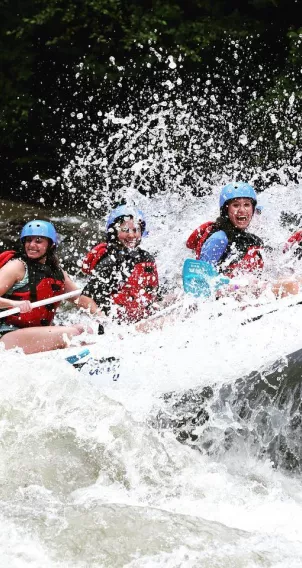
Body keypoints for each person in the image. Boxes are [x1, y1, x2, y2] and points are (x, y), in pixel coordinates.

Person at [0, 220, 100, 354]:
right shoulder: (17, 266)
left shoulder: (57, 273)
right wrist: (14, 303)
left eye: (38, 241)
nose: (32, 245)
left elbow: (80, 299)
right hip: (7, 334)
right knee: (71, 333)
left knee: (87, 330)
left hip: (35, 333)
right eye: (28, 240)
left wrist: (104, 319)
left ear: (51, 244)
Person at [80, 205, 160, 323]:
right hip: (115, 325)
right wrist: (107, 324)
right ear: (114, 232)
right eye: (125, 230)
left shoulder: (147, 258)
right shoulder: (110, 261)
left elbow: (155, 296)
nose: (131, 235)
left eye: (135, 230)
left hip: (140, 321)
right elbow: (84, 299)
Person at [186, 182, 264, 279]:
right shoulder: (219, 239)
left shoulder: (248, 238)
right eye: (236, 205)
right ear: (225, 210)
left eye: (247, 205)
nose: (242, 210)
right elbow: (199, 281)